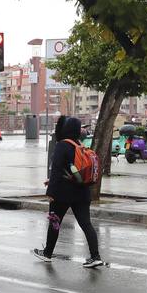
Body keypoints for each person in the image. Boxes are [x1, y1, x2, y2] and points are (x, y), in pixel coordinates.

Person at [32, 115, 104, 268]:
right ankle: (95, 256)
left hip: (63, 194)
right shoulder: (80, 145)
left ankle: (47, 253)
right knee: (86, 224)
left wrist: (50, 192)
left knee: (55, 222)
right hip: (83, 192)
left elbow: (57, 170)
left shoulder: (62, 145)